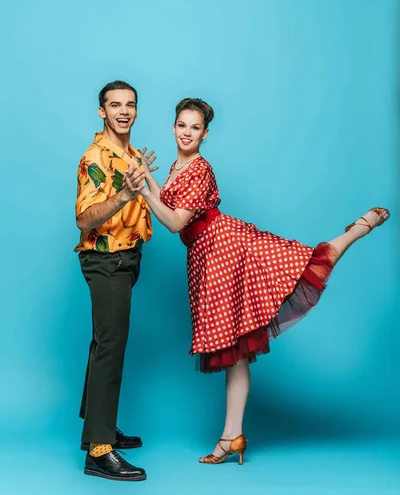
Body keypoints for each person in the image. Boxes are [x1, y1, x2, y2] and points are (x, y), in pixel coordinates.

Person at [123, 97, 390, 466]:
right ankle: (232, 437)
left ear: (206, 134)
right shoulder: (175, 166)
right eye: (182, 125)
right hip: (204, 256)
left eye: (195, 128)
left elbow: (174, 222)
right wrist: (146, 177)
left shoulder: (200, 169)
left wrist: (142, 190)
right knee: (234, 351)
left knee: (304, 265)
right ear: (173, 127)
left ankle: (358, 229)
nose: (187, 133)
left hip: (225, 248)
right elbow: (166, 201)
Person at [75, 80, 157, 481]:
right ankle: (99, 451)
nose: (123, 111)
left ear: (136, 111)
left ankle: (99, 427)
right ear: (101, 111)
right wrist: (124, 196)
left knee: (103, 342)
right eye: (114, 105)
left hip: (127, 258)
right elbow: (84, 219)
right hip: (106, 261)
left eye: (130, 105)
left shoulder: (133, 153)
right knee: (111, 346)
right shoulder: (96, 156)